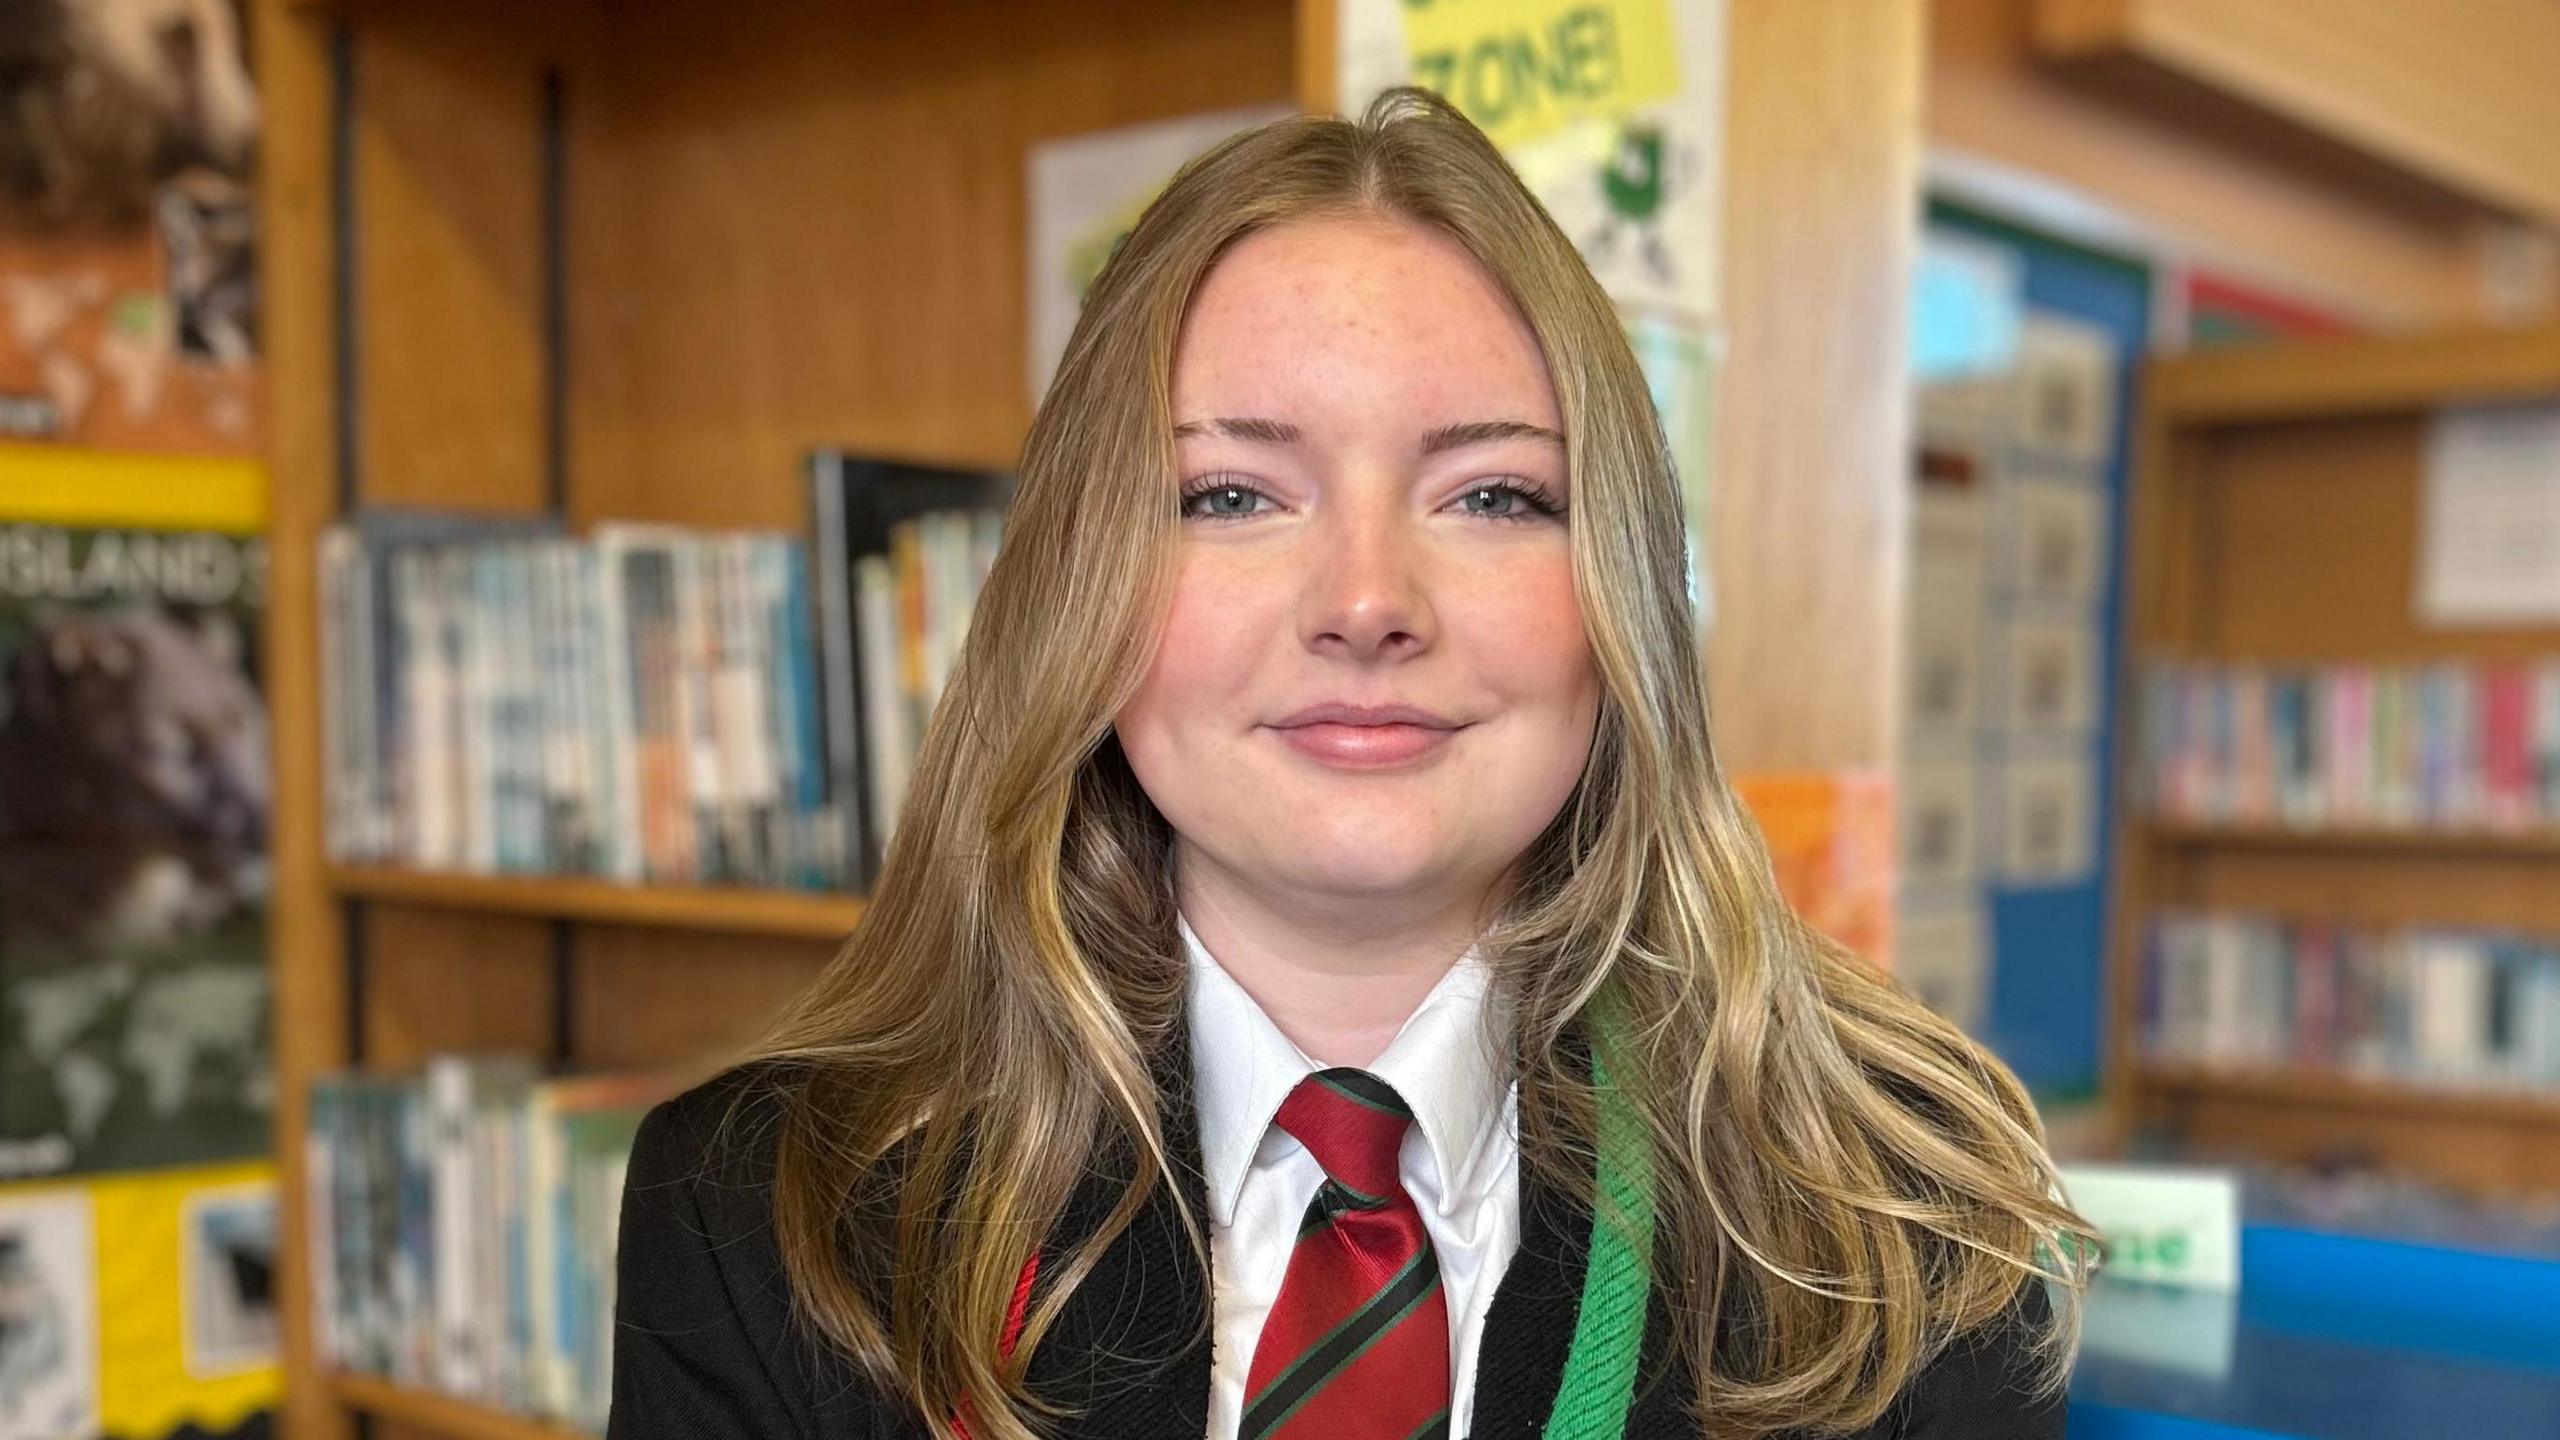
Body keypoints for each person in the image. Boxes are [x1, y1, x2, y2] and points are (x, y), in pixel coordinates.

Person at [607, 87, 2096, 1440]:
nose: (1368, 601)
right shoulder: (763, 1212)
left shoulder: (1902, 1228)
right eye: (1234, 492)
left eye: (1496, 494)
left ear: (1623, 592)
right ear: (1081, 582)